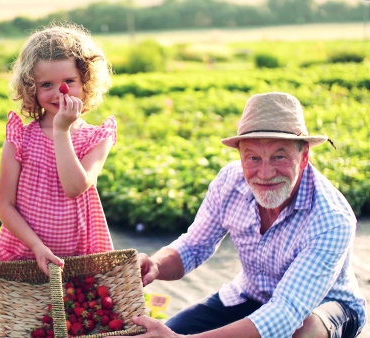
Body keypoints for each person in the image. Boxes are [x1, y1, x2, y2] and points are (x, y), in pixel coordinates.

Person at [121, 92, 366, 338]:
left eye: (279, 156)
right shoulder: (230, 182)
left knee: (304, 332)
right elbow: (193, 247)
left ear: (303, 157)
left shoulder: (331, 219)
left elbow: (286, 312)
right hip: (252, 294)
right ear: (240, 156)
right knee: (170, 330)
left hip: (324, 307)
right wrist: (156, 264)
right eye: (253, 158)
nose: (265, 173)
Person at [0, 22, 116, 275]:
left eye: (69, 81)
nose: (59, 92)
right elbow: (4, 205)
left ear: (86, 83)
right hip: (26, 253)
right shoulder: (20, 138)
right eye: (46, 85)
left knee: (74, 311)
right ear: (31, 88)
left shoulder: (97, 137)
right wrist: (37, 246)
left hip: (78, 257)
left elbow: (74, 187)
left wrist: (61, 131)